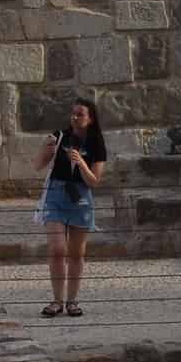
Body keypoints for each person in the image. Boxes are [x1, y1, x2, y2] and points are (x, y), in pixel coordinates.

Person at [37, 97, 109, 318]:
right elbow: (38, 165)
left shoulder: (96, 143)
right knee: (58, 249)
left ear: (91, 118)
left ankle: (72, 301)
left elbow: (94, 181)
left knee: (77, 253)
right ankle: (57, 300)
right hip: (56, 196)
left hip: (80, 197)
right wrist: (45, 148)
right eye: (73, 113)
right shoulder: (60, 137)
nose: (75, 118)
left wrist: (82, 163)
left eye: (80, 114)